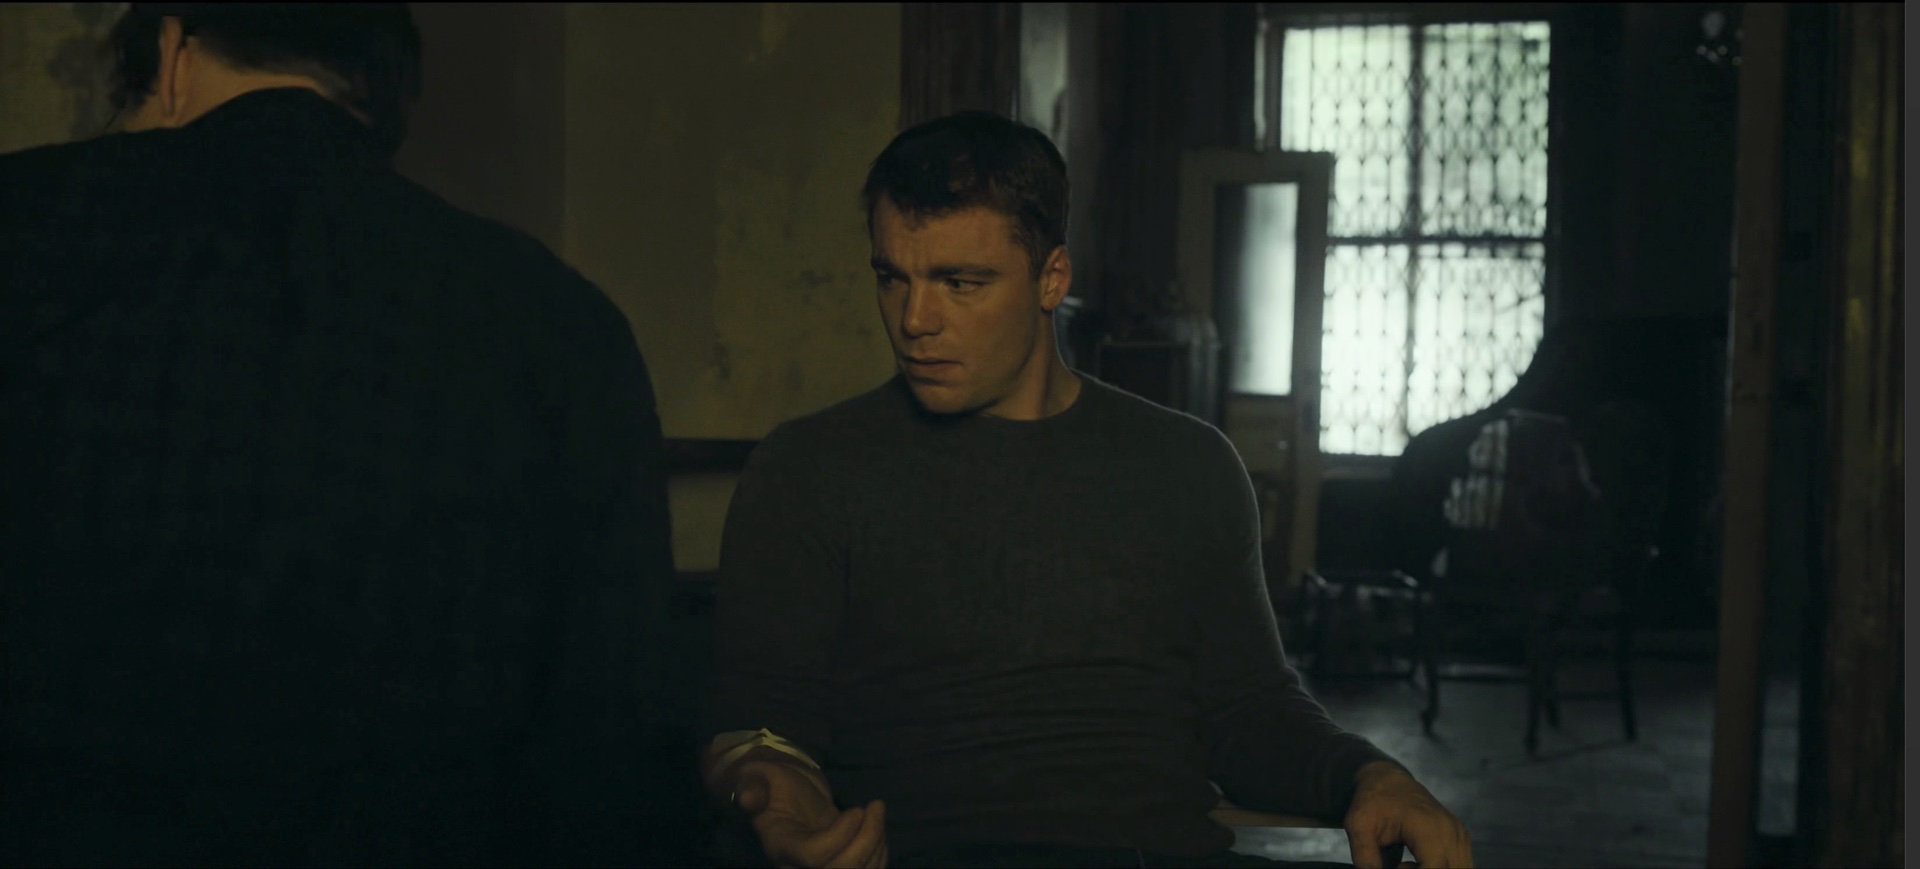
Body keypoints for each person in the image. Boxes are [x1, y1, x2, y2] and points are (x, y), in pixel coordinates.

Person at [0, 5, 688, 865]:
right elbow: (614, 746)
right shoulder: (557, 319)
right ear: (376, 89)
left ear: (171, 57)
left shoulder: (27, 226)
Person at [701, 111, 1475, 869]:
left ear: (1052, 278)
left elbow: (1249, 709)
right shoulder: (810, 468)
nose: (915, 319)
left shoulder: (1187, 464)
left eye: (960, 283)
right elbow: (757, 727)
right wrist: (774, 792)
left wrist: (1368, 773)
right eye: (891, 278)